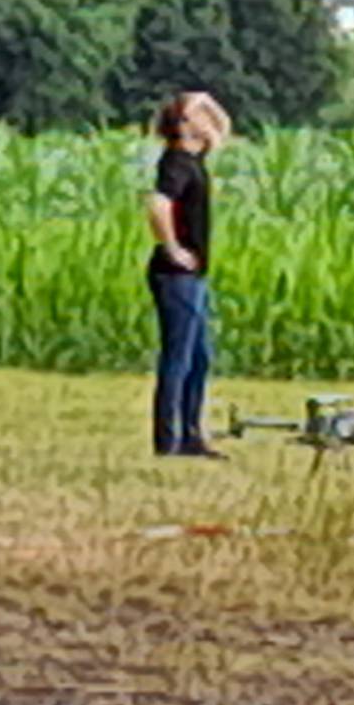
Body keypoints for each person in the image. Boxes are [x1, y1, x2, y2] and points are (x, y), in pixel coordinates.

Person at [143, 91, 230, 458]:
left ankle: (191, 435)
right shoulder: (177, 162)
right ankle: (169, 440)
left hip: (193, 277)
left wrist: (204, 101)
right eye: (199, 116)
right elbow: (157, 203)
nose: (208, 121)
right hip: (176, 275)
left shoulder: (194, 160)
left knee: (199, 358)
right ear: (184, 125)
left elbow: (223, 126)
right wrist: (173, 248)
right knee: (178, 357)